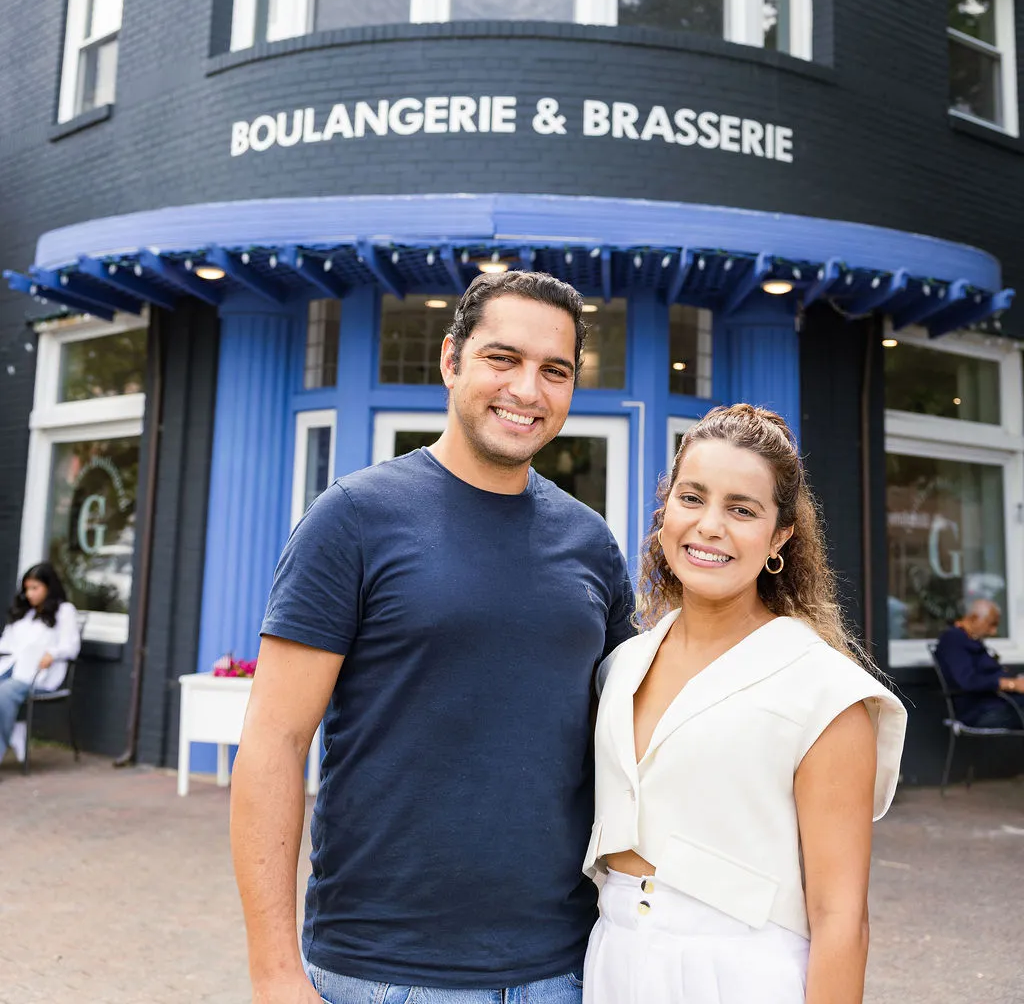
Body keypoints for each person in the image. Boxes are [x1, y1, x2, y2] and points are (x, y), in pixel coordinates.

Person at [231, 271, 635, 1004]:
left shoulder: (591, 543)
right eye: (502, 359)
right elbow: (273, 742)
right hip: (380, 971)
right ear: (451, 359)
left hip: (563, 968)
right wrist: (273, 970)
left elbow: (634, 735)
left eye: (555, 370)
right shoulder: (352, 517)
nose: (527, 389)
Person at [583, 404, 907, 1004]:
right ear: (665, 512)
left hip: (742, 975)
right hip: (613, 960)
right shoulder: (621, 665)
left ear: (780, 535)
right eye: (692, 497)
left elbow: (842, 920)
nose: (709, 526)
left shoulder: (825, 691)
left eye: (741, 509)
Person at [0, 562, 81, 764]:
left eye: (35, 588)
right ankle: (15, 731)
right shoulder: (24, 613)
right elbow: (6, 643)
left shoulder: (64, 611)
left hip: (39, 676)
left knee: (5, 693)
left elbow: (71, 645)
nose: (30, 594)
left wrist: (52, 653)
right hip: (10, 668)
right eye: (27, 589)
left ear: (49, 587)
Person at [934, 599, 1024, 728]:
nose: (993, 631)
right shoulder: (953, 640)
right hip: (980, 711)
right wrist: (1010, 684)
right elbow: (966, 681)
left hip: (1002, 703)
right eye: (991, 624)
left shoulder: (971, 640)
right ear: (974, 618)